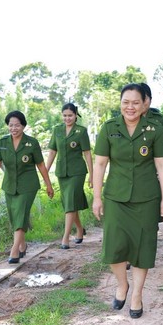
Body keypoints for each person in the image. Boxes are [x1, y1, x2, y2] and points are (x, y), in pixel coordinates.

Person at [92, 83, 163, 319]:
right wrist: (97, 197)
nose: (130, 107)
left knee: (142, 247)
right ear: (120, 103)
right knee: (114, 246)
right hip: (116, 196)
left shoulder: (154, 130)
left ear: (144, 104)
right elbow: (100, 164)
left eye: (136, 102)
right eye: (126, 102)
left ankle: (137, 295)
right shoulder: (109, 128)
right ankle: (122, 284)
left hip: (146, 197)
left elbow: (162, 165)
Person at [0, 110, 54, 264]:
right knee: (14, 216)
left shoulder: (32, 143)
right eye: (11, 125)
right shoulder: (2, 143)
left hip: (28, 185)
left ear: (23, 126)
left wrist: (48, 185)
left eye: (17, 125)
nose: (14, 128)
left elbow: (41, 165)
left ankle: (14, 250)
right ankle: (22, 245)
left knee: (21, 214)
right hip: (9, 185)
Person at [45, 103, 94, 250]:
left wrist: (92, 175)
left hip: (77, 172)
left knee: (71, 202)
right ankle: (79, 229)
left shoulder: (81, 131)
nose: (67, 118)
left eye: (70, 115)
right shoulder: (57, 130)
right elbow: (52, 151)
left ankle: (65, 237)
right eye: (65, 115)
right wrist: (45, 171)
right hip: (62, 172)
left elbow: (87, 153)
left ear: (75, 115)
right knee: (69, 203)